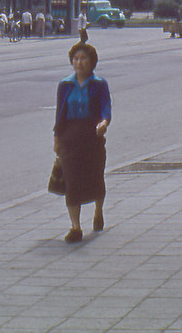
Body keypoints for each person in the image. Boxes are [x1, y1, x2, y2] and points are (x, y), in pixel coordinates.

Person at [53, 42, 111, 243]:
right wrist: (57, 138)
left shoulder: (99, 84)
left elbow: (106, 109)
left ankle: (98, 211)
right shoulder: (65, 85)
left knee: (96, 176)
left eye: (83, 58)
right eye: (76, 59)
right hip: (70, 136)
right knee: (72, 182)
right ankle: (75, 227)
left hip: (92, 136)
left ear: (92, 62)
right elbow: (60, 113)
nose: (79, 62)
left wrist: (103, 123)